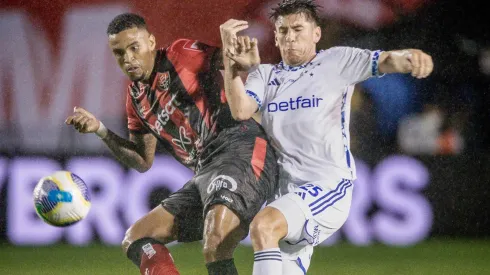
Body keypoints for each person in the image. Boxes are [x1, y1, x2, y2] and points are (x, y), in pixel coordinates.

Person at [219, 0, 434, 274]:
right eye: (283, 30)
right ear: (275, 36)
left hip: (328, 186)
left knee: (263, 225)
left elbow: (386, 60)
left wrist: (410, 56)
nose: (290, 36)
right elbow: (240, 110)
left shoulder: (336, 61)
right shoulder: (265, 75)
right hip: (285, 195)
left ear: (316, 34)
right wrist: (232, 63)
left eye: (298, 29)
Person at [65, 13, 278, 275]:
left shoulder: (180, 54)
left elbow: (228, 58)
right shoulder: (136, 100)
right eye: (119, 53)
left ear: (151, 42)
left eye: (135, 47)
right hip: (206, 172)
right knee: (137, 237)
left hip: (240, 149)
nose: (128, 58)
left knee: (217, 242)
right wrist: (100, 130)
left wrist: (242, 58)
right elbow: (143, 161)